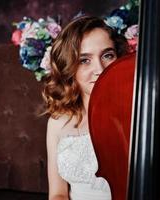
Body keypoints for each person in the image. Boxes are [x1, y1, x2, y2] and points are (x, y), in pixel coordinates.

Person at [42, 16, 129, 200]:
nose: (100, 69)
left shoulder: (137, 114)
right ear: (69, 68)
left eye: (107, 55)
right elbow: (58, 194)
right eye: (84, 60)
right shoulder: (58, 123)